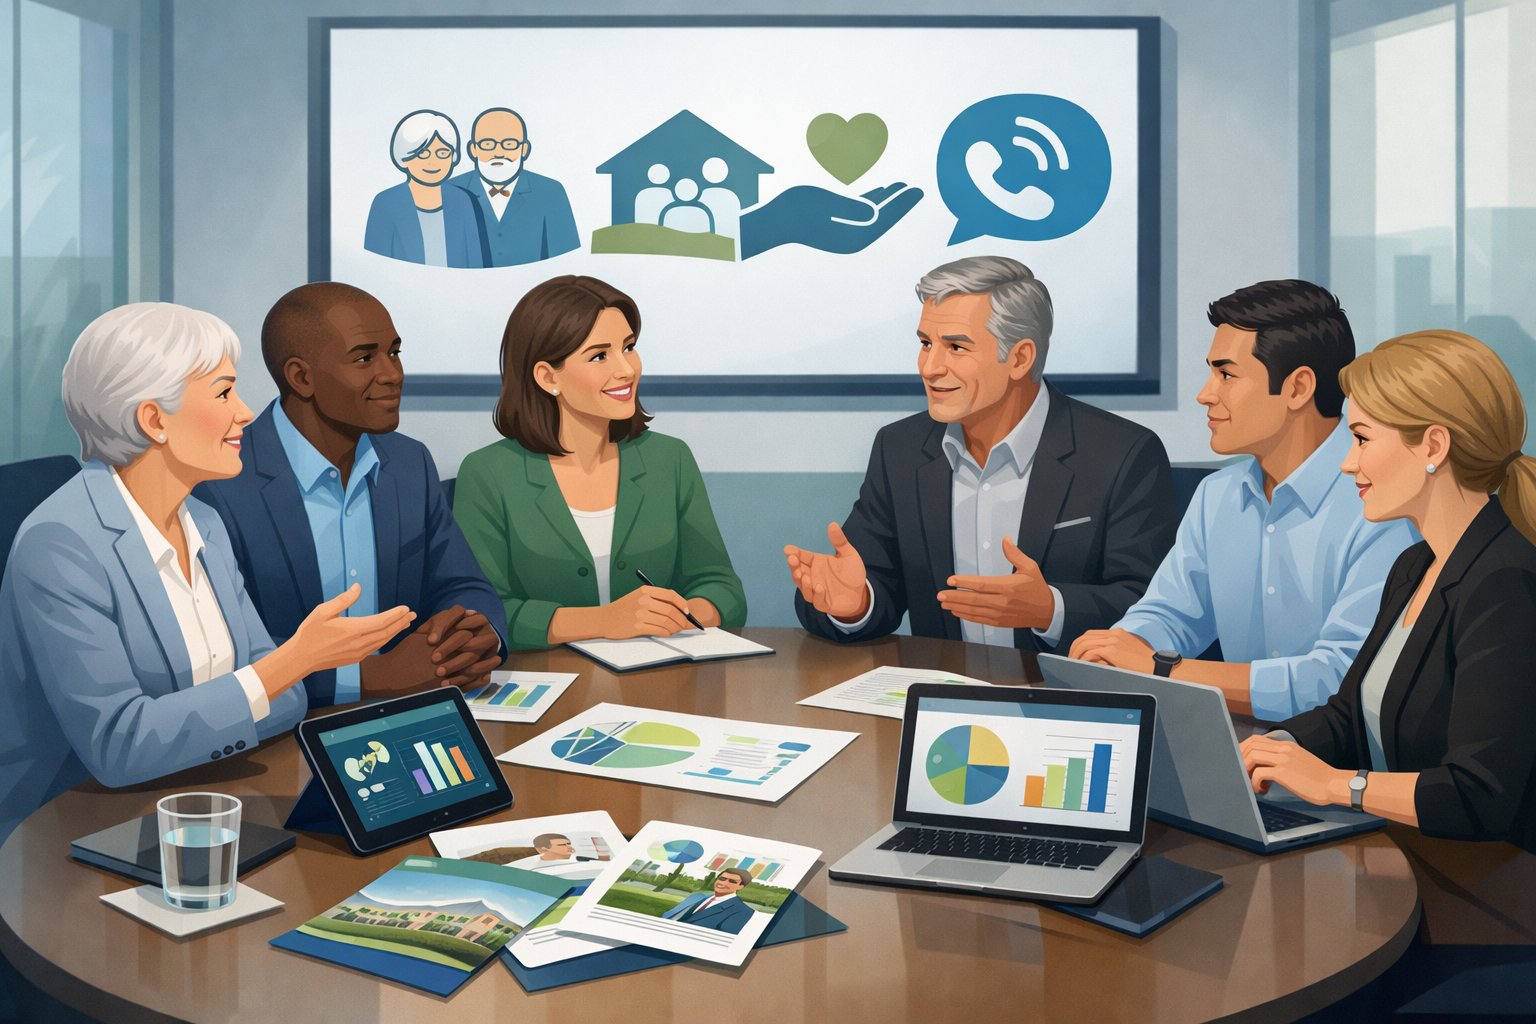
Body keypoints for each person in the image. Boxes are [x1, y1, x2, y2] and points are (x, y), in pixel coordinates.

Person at [0, 303, 416, 842]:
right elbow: (119, 747)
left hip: (197, 802)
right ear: (153, 420)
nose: (245, 413)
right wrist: (295, 661)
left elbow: (283, 700)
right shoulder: (60, 544)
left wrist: (272, 677)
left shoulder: (204, 521)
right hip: (68, 834)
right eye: (223, 393)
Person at [785, 255, 1176, 651]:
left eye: (955, 347)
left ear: (1020, 358)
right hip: (944, 702)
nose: (930, 367)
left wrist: (1050, 610)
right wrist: (856, 604)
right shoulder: (899, 449)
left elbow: (1155, 608)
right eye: (925, 344)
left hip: (1068, 698)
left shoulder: (1122, 454)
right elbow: (870, 582)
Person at [1241, 331, 1536, 851]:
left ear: (1433, 446)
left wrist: (1336, 785)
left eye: (1361, 438)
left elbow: (1477, 793)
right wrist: (1274, 747)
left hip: (1484, 887)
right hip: (1400, 854)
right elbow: (1349, 717)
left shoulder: (1506, 581)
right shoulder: (1414, 564)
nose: (1348, 463)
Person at [1070, 281, 1416, 720]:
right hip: (1238, 755)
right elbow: (1171, 614)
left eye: (1227, 374)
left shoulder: (1381, 501)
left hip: (1342, 776)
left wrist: (1162, 669)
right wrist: (1121, 650)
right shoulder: (1218, 495)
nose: (1205, 394)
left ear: (1298, 387)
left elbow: (1343, 677)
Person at [195, 283, 505, 707]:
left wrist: (472, 635)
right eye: (364, 358)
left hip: (414, 711)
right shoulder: (219, 482)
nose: (392, 374)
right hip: (283, 732)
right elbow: (221, 649)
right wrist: (365, 678)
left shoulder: (409, 462)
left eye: (394, 352)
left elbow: (463, 583)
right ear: (301, 377)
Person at [455, 275, 746, 650]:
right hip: (549, 685)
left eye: (629, 347)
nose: (626, 369)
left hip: (659, 682)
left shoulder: (669, 459)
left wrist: (680, 613)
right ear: (547, 376)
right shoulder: (488, 473)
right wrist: (604, 621)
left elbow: (724, 590)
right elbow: (481, 614)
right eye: (599, 355)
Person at [447, 107, 579, 267]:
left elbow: (567, 259)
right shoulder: (449, 190)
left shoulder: (551, 191)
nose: (498, 152)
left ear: (524, 149)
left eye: (509, 144)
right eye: (488, 144)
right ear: (473, 149)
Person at [363, 109, 483, 267]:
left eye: (442, 153)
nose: (432, 162)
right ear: (404, 157)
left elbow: (475, 263)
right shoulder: (386, 203)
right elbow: (374, 264)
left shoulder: (462, 200)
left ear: (453, 157)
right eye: (422, 154)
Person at [660, 868, 756, 934]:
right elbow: (669, 916)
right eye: (722, 878)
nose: (723, 883)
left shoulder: (743, 911)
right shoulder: (697, 897)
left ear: (741, 886)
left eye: (732, 881)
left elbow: (722, 939)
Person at [507, 833, 596, 875]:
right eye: (562, 845)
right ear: (544, 848)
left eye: (568, 844)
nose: (569, 847)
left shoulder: (588, 862)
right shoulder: (523, 865)